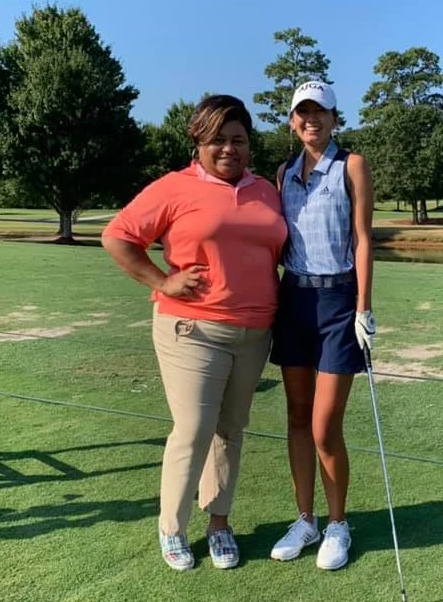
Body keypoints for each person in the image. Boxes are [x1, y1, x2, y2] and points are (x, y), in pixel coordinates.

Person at [101, 95, 287, 571]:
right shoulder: (174, 187)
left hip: (255, 333)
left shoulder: (266, 190)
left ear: (250, 144)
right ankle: (172, 528)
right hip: (192, 329)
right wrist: (162, 280)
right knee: (193, 431)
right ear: (199, 143)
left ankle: (219, 524)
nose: (229, 149)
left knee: (231, 431)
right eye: (218, 140)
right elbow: (118, 236)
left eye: (238, 140)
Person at [269, 80, 376, 570]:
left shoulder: (351, 164)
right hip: (292, 297)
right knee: (295, 416)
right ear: (292, 122)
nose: (311, 120)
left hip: (337, 300)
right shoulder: (284, 172)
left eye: (320, 112)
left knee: (324, 426)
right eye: (302, 113)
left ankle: (337, 524)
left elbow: (362, 239)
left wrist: (363, 307)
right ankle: (306, 518)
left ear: (335, 118)